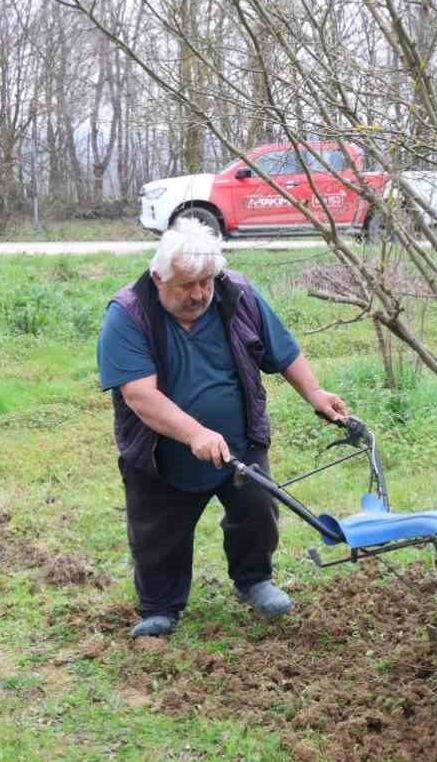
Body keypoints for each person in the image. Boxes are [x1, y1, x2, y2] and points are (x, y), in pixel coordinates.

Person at [97, 218, 349, 637]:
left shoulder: (239, 295)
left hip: (240, 441)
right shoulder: (128, 314)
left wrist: (315, 393)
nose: (199, 294)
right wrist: (194, 433)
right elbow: (140, 396)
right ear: (159, 278)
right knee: (158, 531)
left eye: (207, 282)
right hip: (161, 451)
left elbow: (283, 351)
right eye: (186, 285)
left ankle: (255, 580)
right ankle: (160, 606)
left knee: (256, 511)